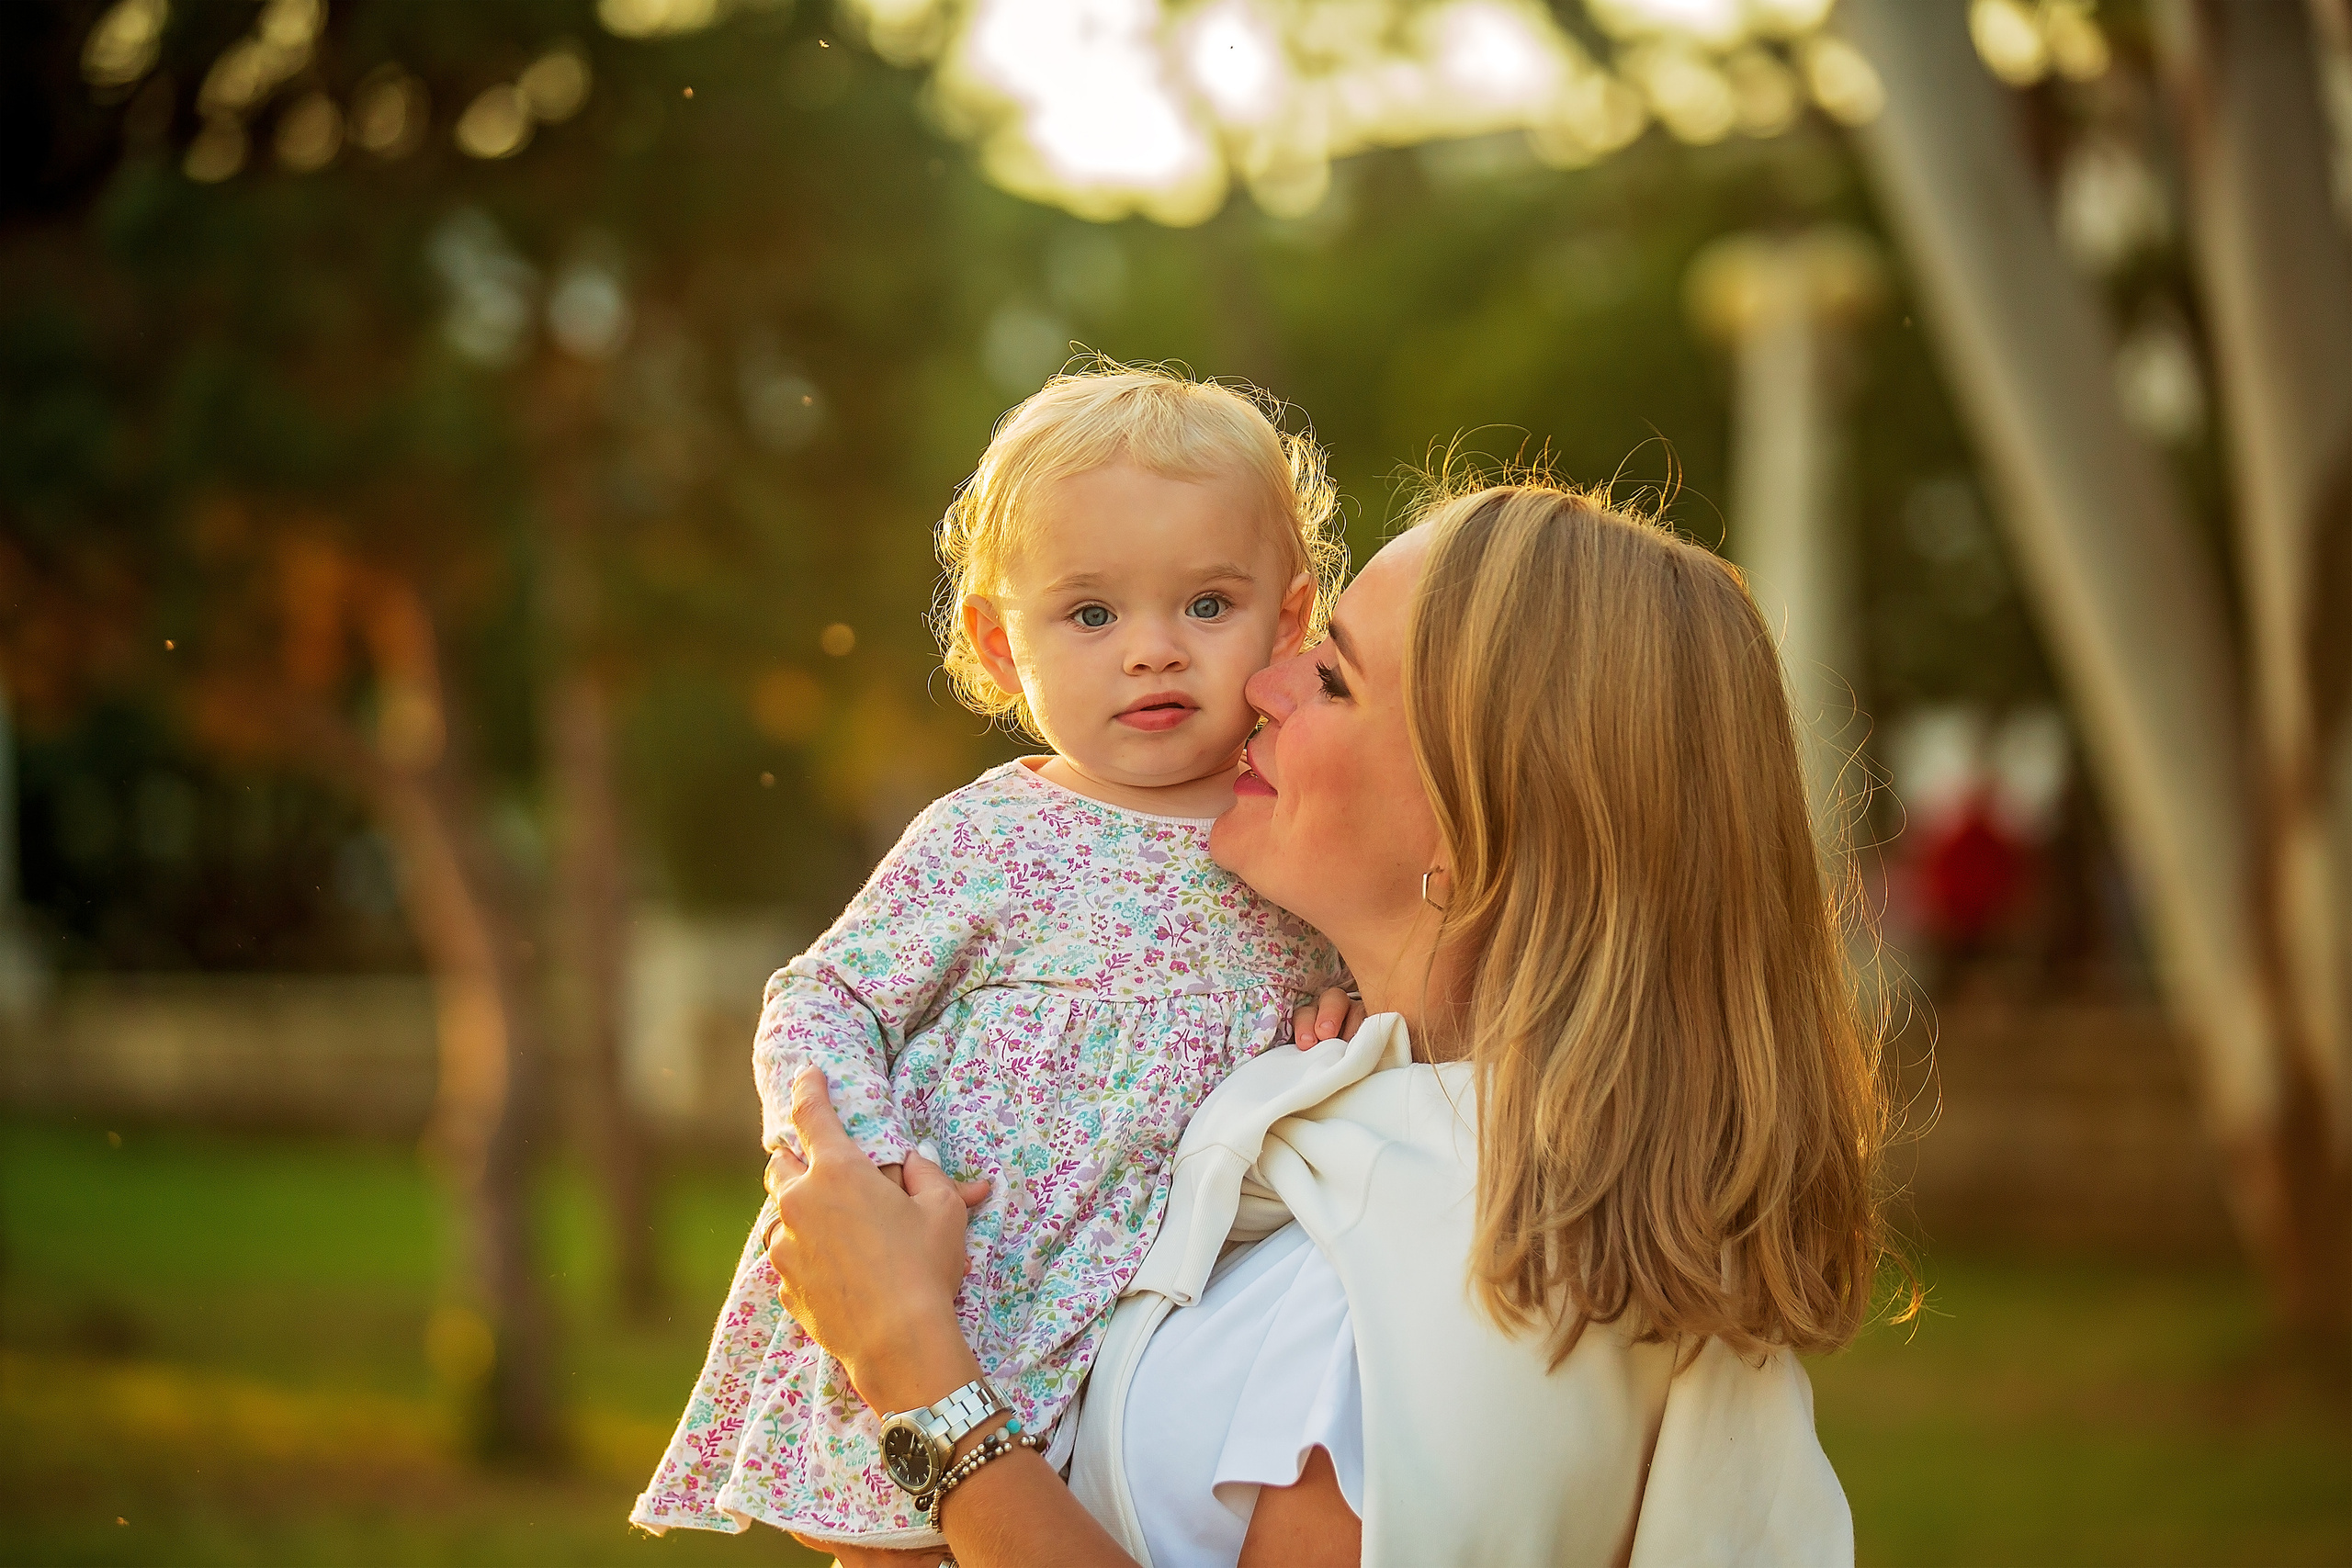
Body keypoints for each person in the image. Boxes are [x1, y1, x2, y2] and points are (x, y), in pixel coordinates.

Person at [760, 478, 1903, 1568]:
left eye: (1336, 679)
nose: (1261, 683)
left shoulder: (1481, 1268)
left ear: (1476, 828)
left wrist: (914, 1372)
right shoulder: (1371, 1129)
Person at [631, 366, 1358, 1554]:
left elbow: (1341, 1018)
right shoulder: (995, 834)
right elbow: (828, 992)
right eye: (1091, 614)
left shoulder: (1293, 834)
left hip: (1150, 1328)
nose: (1154, 652)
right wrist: (865, 1169)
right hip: (970, 1268)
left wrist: (1332, 1039)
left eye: (1208, 606)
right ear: (997, 641)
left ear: (1288, 618)